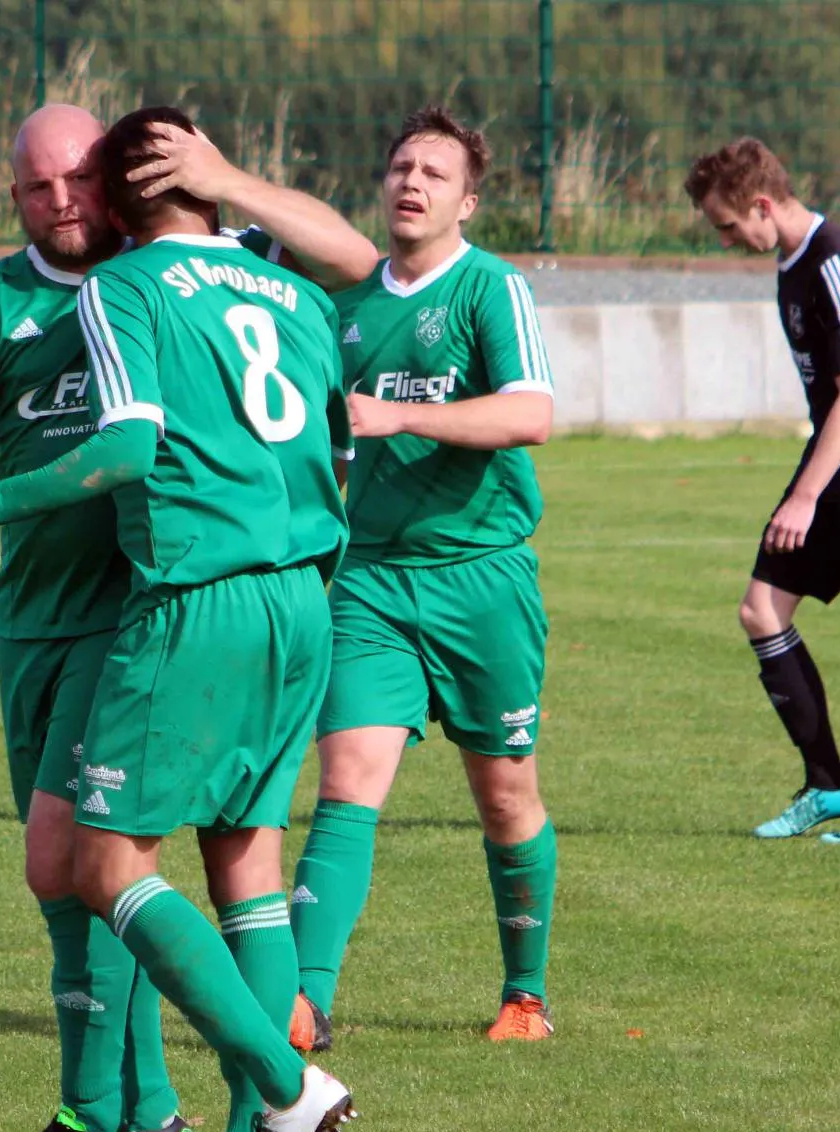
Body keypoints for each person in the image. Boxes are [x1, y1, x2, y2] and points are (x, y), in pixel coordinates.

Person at [0, 105, 375, 1132]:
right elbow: (337, 440)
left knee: (93, 864)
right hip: (267, 595)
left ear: (117, 184)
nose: (61, 201)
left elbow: (133, 443)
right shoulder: (265, 289)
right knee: (230, 858)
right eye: (36, 186)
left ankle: (242, 1095)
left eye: (80, 179)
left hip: (168, 605)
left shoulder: (132, 286)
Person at [285, 107, 561, 1054]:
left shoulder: (491, 288)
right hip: (372, 581)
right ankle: (302, 1006)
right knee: (347, 783)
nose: (412, 183)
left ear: (467, 201)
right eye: (401, 167)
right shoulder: (346, 305)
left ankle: (525, 994)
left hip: (484, 581)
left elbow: (531, 414)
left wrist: (403, 417)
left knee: (505, 796)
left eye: (435, 174)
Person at [683, 137, 840, 844]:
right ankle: (828, 784)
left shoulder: (835, 260)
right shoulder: (791, 264)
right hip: (833, 466)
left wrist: (803, 497)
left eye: (729, 225)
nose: (726, 240)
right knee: (761, 609)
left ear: (762, 205)